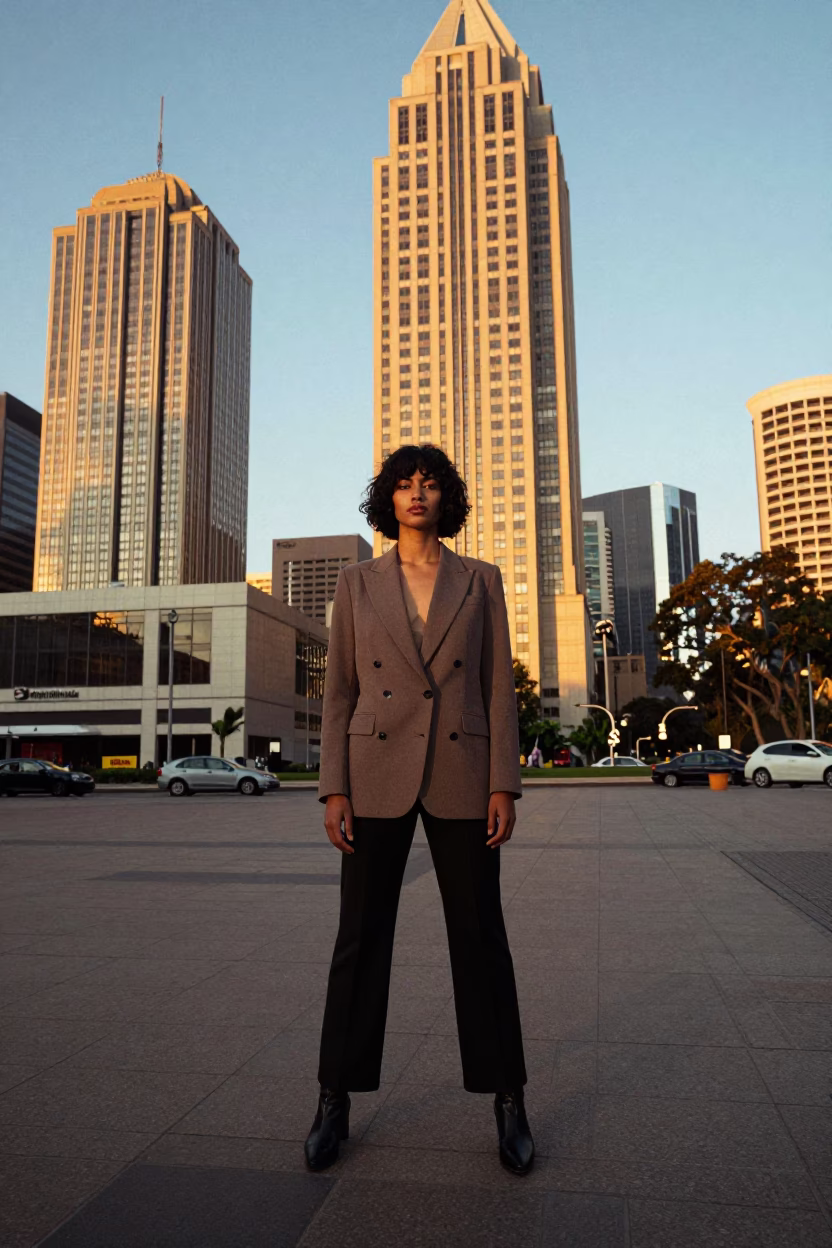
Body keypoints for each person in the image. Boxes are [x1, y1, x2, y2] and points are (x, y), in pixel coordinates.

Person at [306, 444, 533, 1176]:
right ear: (387, 499)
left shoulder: (482, 581)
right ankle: (333, 1098)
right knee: (359, 937)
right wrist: (333, 787)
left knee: (481, 938)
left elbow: (499, 688)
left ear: (446, 499)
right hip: (374, 771)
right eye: (404, 484)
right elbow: (337, 692)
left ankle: (509, 1100)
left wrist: (505, 782)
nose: (417, 494)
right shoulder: (355, 582)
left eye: (430, 484)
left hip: (464, 770)